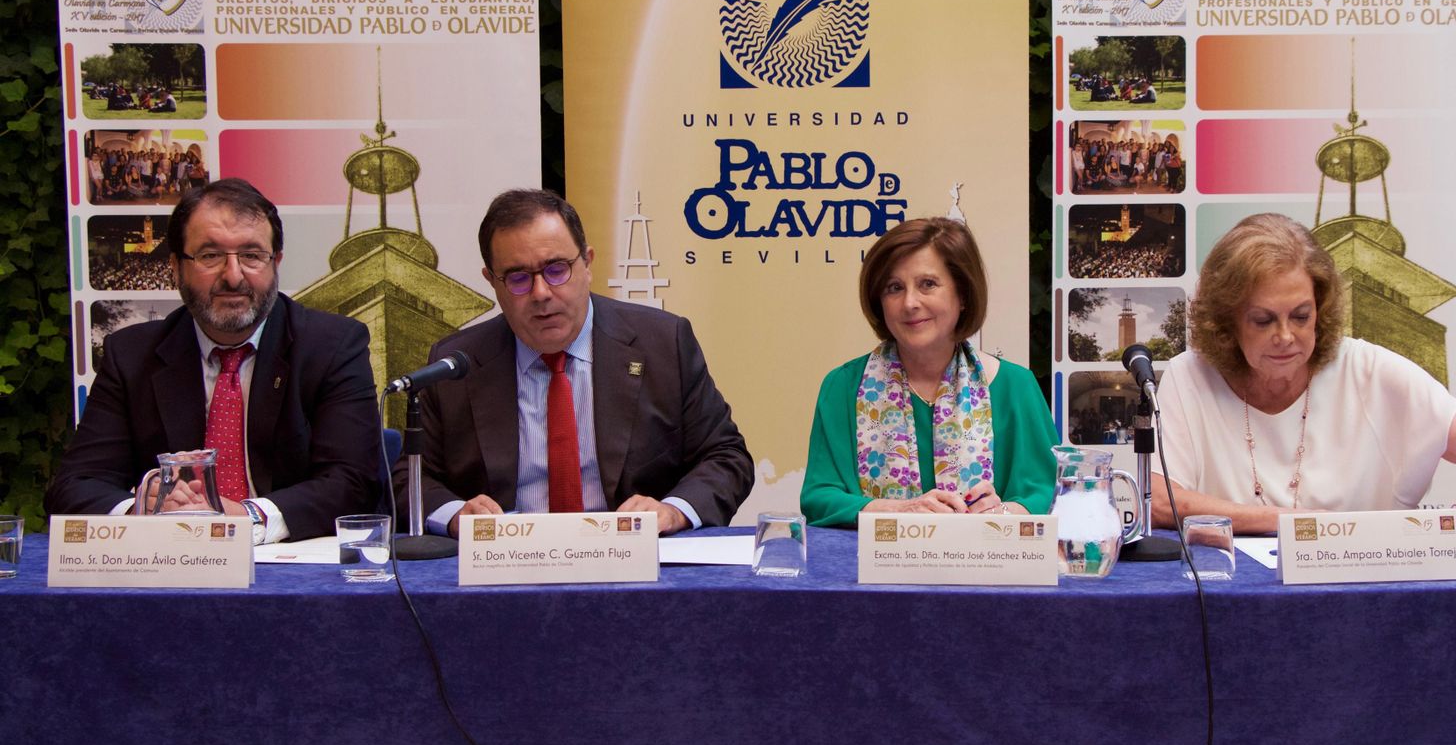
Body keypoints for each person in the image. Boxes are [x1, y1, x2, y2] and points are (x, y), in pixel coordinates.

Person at [1151, 213, 1456, 556]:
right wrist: (1296, 523)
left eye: (1301, 316)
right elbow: (1164, 500)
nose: (1285, 335)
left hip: (1370, 589)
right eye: (1263, 320)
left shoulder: (1367, 368)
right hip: (1233, 593)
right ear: (1226, 323)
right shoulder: (1191, 376)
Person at [400, 189, 753, 537]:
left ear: (587, 263)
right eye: (518, 278)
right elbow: (408, 477)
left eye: (556, 270)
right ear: (492, 282)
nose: (541, 293)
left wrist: (673, 510)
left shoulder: (662, 344)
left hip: (633, 560)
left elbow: (726, 457)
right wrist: (456, 515)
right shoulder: (457, 365)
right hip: (504, 566)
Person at [45, 178, 382, 543]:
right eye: (210, 256)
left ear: (276, 262)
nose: (233, 276)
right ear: (176, 267)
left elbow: (353, 482)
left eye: (252, 256)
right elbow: (74, 486)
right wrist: (143, 509)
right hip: (173, 565)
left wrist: (244, 517)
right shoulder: (131, 355)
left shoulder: (331, 346)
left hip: (291, 568)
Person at [800, 218, 1057, 526]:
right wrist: (898, 511)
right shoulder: (843, 386)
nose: (909, 303)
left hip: (986, 571)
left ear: (963, 294)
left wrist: (1002, 514)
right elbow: (820, 498)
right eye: (894, 288)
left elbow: (1049, 496)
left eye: (928, 284)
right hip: (867, 573)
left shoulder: (1015, 386)